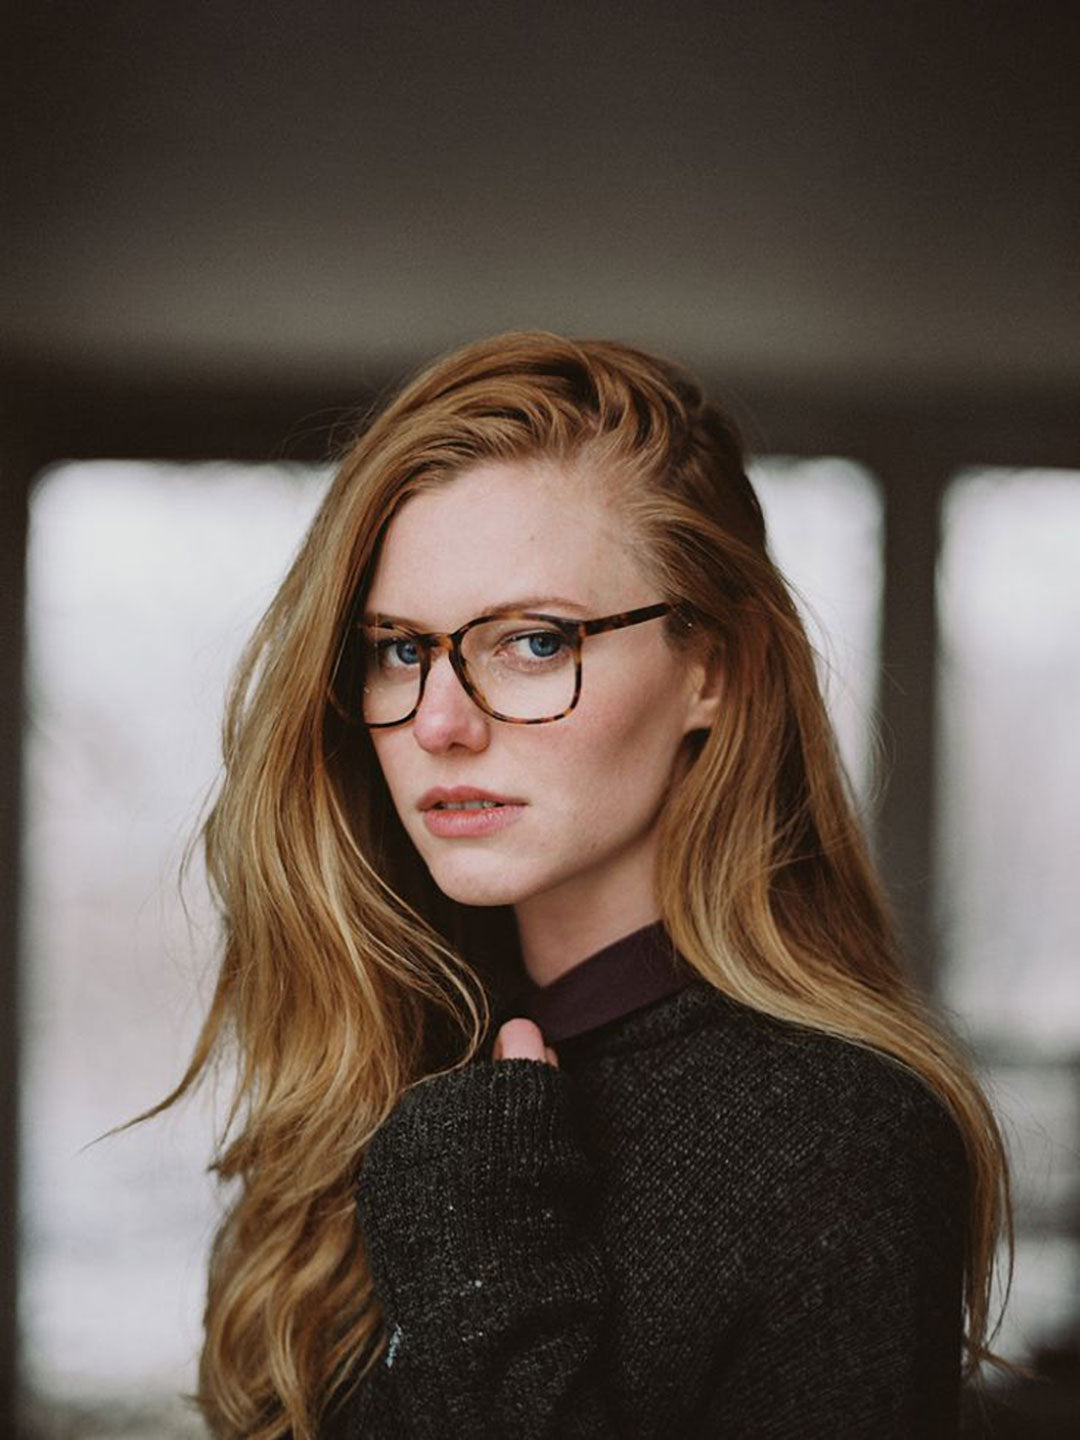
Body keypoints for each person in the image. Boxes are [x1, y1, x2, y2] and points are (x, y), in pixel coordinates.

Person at [136, 331, 1018, 1438]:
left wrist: (483, 1271)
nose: (444, 725)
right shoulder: (387, 1056)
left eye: (535, 643)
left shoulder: (837, 1140)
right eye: (401, 650)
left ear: (714, 669)